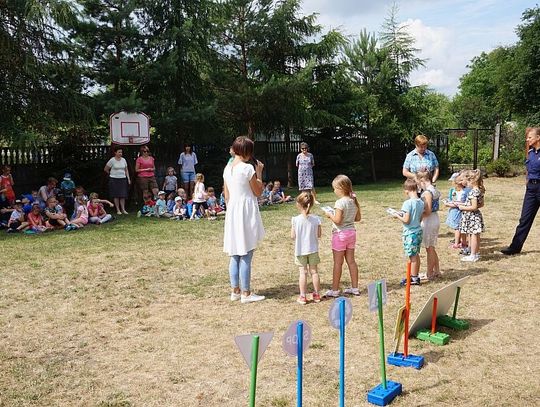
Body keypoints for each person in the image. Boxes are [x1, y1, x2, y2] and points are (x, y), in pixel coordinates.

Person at [223, 136, 265, 304]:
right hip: (245, 210)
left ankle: (235, 291)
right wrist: (259, 172)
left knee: (235, 253)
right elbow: (258, 191)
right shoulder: (247, 169)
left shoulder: (227, 169)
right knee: (246, 252)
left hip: (233, 209)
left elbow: (226, 195)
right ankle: (246, 293)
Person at [501, 127, 540, 255]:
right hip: (531, 189)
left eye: (530, 137)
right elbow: (528, 168)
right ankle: (515, 247)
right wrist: (527, 180)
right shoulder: (530, 152)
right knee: (524, 219)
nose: (527, 139)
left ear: (538, 138)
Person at [323, 174, 361, 297]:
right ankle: (355, 288)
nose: (334, 191)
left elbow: (338, 220)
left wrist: (329, 215)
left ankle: (335, 290)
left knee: (337, 263)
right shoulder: (353, 201)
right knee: (351, 261)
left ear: (340, 188)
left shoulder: (340, 202)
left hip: (340, 235)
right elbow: (358, 218)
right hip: (351, 233)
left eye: (334, 188)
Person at [291, 191, 322, 305]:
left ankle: (303, 296)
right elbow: (318, 235)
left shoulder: (295, 220)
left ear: (298, 204)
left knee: (302, 273)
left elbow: (292, 236)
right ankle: (317, 294)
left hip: (300, 250)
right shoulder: (316, 219)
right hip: (313, 249)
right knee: (314, 272)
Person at [392, 178, 425, 286]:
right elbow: (419, 218)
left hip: (410, 233)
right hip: (418, 230)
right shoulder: (421, 202)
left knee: (413, 256)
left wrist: (397, 215)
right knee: (416, 255)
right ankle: (413, 274)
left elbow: (406, 220)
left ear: (406, 190)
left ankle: (414, 278)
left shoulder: (407, 203)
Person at [416, 171, 441, 281]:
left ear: (422, 181)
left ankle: (429, 273)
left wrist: (417, 215)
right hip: (434, 219)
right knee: (431, 247)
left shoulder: (427, 193)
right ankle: (437, 270)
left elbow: (428, 210)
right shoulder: (434, 189)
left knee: (429, 248)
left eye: (418, 183)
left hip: (429, 220)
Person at [458, 169, 485, 262]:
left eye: (467, 181)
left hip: (472, 216)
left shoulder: (473, 192)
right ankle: (476, 253)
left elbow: (473, 206)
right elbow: (481, 204)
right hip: (476, 216)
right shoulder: (479, 190)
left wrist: (463, 207)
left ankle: (472, 255)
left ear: (471, 181)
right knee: (476, 235)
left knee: (473, 236)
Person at [444, 173, 469, 249]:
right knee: (462, 228)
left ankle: (456, 243)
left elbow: (456, 203)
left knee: (457, 228)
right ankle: (464, 243)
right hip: (462, 211)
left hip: (457, 212)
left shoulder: (459, 192)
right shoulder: (465, 191)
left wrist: (447, 204)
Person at [104, 145, 130, 215]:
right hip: (114, 179)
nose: (120, 153)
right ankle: (118, 210)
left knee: (123, 195)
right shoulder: (112, 160)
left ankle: (123, 209)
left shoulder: (124, 160)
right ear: (115, 152)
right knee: (116, 195)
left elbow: (126, 170)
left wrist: (128, 179)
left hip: (123, 179)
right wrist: (111, 174)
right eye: (119, 152)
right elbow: (106, 169)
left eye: (121, 152)